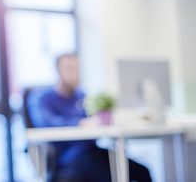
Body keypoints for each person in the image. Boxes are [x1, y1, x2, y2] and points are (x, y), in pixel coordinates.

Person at [27, 54, 152, 182]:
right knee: (109, 174)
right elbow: (47, 124)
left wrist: (104, 121)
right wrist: (80, 123)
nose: (74, 73)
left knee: (142, 171)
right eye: (69, 68)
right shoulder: (40, 98)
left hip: (92, 151)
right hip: (67, 156)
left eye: (77, 69)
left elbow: (93, 122)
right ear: (58, 70)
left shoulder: (82, 96)